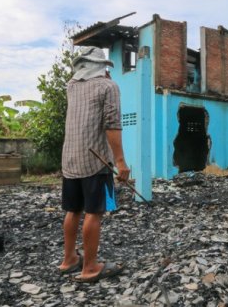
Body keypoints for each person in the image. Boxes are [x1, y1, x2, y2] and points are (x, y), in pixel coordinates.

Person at [58, 46, 130, 283]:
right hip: (95, 159)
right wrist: (120, 162)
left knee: (73, 210)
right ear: (102, 67)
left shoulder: (71, 86)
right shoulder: (108, 87)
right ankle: (90, 268)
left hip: (69, 158)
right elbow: (112, 125)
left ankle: (69, 259)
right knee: (94, 212)